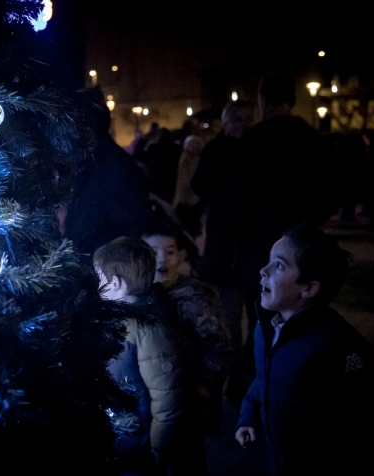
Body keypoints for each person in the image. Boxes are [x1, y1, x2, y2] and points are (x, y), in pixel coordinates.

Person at [235, 223, 374, 476]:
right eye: (269, 261)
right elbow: (264, 378)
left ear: (310, 288)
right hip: (281, 461)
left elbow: (365, 420)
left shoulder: (337, 344)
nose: (263, 270)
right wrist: (248, 417)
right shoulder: (267, 327)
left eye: (279, 265)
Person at [231, 73, 340, 389]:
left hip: (260, 245)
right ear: (292, 101)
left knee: (262, 313)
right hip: (304, 246)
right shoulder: (312, 140)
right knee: (305, 310)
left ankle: (261, 379)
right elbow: (331, 193)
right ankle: (301, 375)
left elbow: (236, 199)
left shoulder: (253, 141)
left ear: (264, 101)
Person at [94, 237, 185, 475]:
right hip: (117, 434)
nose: (96, 285)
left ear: (115, 283)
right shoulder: (109, 321)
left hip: (139, 441)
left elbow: (167, 397)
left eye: (99, 278)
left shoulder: (149, 330)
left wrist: (160, 447)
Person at [141, 222, 232, 456]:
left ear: (180, 256)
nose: (162, 259)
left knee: (187, 457)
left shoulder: (194, 297)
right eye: (153, 252)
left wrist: (202, 386)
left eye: (170, 251)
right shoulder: (137, 294)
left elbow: (219, 345)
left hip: (188, 400)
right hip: (152, 400)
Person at [191, 99, 256, 402]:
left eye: (247, 119)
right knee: (229, 315)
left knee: (256, 314)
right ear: (227, 122)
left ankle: (249, 369)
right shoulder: (218, 150)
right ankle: (236, 374)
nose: (243, 125)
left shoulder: (258, 147)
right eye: (238, 120)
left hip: (252, 244)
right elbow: (200, 183)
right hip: (225, 245)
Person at [64, 87, 153, 257]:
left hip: (104, 275)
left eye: (70, 124)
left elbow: (135, 227)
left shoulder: (117, 170)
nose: (64, 133)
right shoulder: (90, 163)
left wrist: (96, 256)